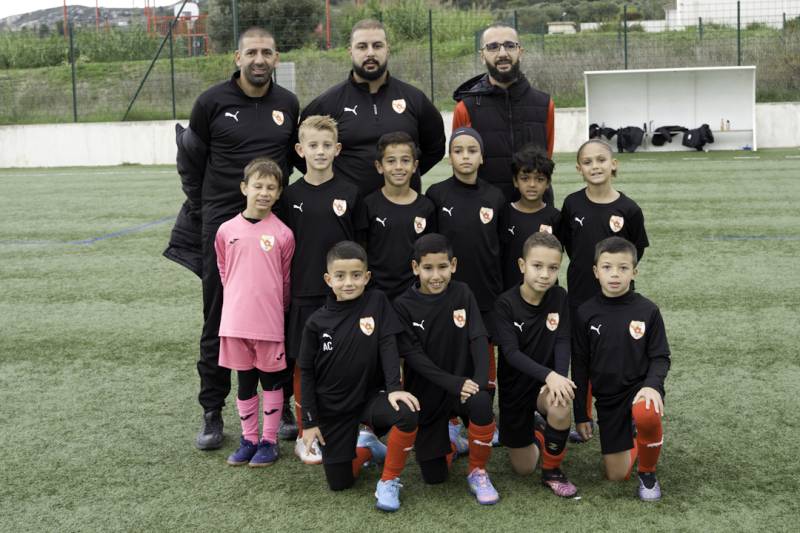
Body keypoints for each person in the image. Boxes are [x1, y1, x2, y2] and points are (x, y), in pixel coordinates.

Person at [163, 27, 300, 450]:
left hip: (273, 230)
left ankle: (285, 404)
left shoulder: (287, 104)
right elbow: (190, 161)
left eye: (266, 53)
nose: (259, 59)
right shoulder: (211, 102)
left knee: (279, 315)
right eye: (251, 52)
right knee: (221, 317)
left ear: (276, 59)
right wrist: (207, 213)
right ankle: (212, 410)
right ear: (236, 58)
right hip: (224, 228)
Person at [298, 241, 419, 512]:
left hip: (369, 398)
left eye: (355, 275)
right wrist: (310, 421)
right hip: (334, 409)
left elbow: (388, 343)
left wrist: (394, 388)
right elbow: (306, 372)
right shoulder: (316, 323)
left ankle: (389, 480)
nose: (348, 283)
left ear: (366, 277)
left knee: (406, 411)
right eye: (340, 276)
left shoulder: (377, 301)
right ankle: (367, 448)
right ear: (329, 279)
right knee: (339, 483)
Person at [277, 115, 366, 464]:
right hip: (304, 295)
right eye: (313, 145)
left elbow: (359, 246)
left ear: (337, 149)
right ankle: (305, 433)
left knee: (345, 362)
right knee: (305, 365)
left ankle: (352, 426)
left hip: (343, 297)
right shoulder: (289, 195)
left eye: (327, 145)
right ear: (300, 150)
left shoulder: (350, 193)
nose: (320, 151)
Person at [394, 234, 499, 505]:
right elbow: (414, 357)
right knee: (434, 476)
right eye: (428, 268)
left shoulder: (463, 292)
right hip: (427, 394)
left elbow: (478, 338)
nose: (436, 275)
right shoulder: (403, 305)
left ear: (453, 264)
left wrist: (477, 383)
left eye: (442, 267)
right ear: (415, 268)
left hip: (463, 389)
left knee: (481, 402)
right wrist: (454, 383)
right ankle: (452, 444)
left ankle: (478, 470)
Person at [559, 139, 649, 441]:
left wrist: (614, 276)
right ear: (578, 168)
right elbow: (570, 245)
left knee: (622, 354)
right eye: (587, 162)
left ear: (614, 164)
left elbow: (636, 251)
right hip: (581, 296)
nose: (595, 166)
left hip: (618, 301)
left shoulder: (629, 208)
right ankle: (583, 418)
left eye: (601, 160)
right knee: (581, 356)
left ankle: (630, 412)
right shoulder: (572, 204)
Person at [299, 19, 445, 197]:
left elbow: (435, 148)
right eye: (362, 47)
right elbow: (302, 152)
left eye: (377, 46)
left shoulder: (414, 99)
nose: (370, 53)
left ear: (387, 50)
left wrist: (405, 175)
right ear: (350, 51)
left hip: (402, 214)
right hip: (347, 215)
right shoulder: (327, 103)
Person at [571, 237, 670, 501]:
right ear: (595, 271)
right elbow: (580, 365)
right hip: (608, 398)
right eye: (607, 267)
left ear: (634, 272)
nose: (615, 274)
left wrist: (652, 385)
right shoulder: (585, 313)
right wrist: (581, 413)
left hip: (639, 390)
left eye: (623, 268)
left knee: (647, 413)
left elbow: (661, 356)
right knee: (616, 475)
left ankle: (648, 473)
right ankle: (639, 439)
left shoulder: (648, 310)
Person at [214, 158, 294, 467]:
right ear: (244, 188)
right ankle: (248, 439)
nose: (263, 192)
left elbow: (285, 279)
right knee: (244, 382)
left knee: (272, 383)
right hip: (235, 323)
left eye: (270, 188)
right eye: (257, 186)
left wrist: (278, 310)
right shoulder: (225, 230)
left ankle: (269, 442)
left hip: (270, 322)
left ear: (278, 193)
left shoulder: (283, 233)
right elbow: (224, 271)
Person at [494, 232, 578, 498]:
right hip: (515, 390)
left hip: (545, 385)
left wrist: (558, 379)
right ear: (522, 266)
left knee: (561, 401)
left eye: (552, 268)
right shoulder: (505, 304)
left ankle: (552, 470)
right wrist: (550, 374)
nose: (545, 274)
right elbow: (510, 353)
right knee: (523, 468)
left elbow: (563, 341)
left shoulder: (559, 297)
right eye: (537, 266)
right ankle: (541, 431)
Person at [452, 23, 555, 204]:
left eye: (509, 45)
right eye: (492, 47)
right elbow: (461, 164)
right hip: (485, 212)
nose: (502, 54)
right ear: (482, 56)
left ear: (520, 52)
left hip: (536, 209)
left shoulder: (545, 104)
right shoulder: (465, 107)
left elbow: (547, 156)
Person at [361, 131, 437, 299]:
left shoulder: (426, 207)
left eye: (405, 160)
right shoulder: (368, 205)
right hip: (376, 294)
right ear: (379, 166)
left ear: (415, 166)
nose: (398, 167)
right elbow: (362, 252)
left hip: (415, 294)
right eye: (391, 161)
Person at [499, 145, 561, 290]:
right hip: (510, 292)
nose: (532, 184)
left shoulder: (555, 217)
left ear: (548, 183)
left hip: (545, 292)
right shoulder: (504, 214)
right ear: (515, 181)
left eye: (539, 179)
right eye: (525, 178)